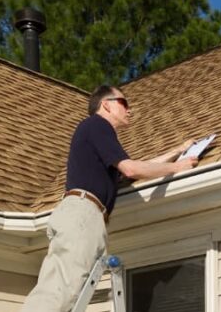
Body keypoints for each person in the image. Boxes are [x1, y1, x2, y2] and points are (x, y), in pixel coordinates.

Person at [21, 85, 199, 311]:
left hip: (82, 215)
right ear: (105, 104)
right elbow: (131, 169)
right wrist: (179, 166)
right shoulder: (97, 125)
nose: (130, 110)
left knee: (66, 295)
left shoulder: (98, 143)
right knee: (59, 294)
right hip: (83, 215)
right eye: (124, 103)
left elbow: (136, 167)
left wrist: (178, 151)